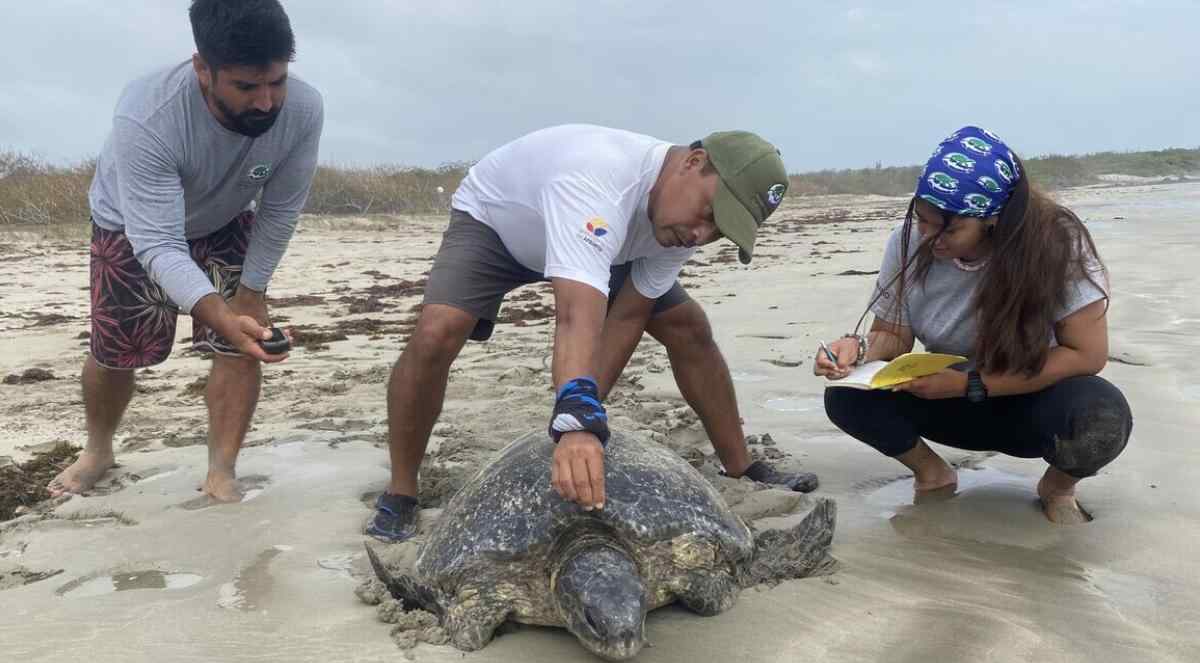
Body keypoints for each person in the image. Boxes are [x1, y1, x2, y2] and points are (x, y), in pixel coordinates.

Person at [368, 124, 817, 541]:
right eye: (709, 212)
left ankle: (740, 465)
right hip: (500, 226)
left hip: (611, 244)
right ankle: (401, 491)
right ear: (693, 162)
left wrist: (579, 415)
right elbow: (576, 314)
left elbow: (625, 317)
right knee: (438, 332)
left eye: (721, 230)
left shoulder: (680, 225)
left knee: (688, 325)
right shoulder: (597, 177)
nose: (701, 235)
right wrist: (576, 424)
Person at [48, 0, 324, 503]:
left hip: (226, 216)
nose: (266, 103)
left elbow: (280, 209)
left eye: (277, 82)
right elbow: (157, 240)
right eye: (245, 86)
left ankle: (222, 470)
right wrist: (216, 309)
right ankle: (98, 450)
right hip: (129, 223)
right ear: (203, 68)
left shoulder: (304, 109)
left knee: (241, 345)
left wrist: (251, 292)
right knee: (114, 352)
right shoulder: (148, 113)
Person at [814, 125, 1132, 524]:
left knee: (1103, 416)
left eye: (949, 228)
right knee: (846, 395)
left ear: (992, 218)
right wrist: (857, 349)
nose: (930, 238)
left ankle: (1058, 487)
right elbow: (893, 335)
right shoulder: (907, 241)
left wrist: (971, 383)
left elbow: (1087, 355)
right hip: (943, 400)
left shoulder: (1057, 244)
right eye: (924, 220)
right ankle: (932, 473)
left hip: (1032, 401)